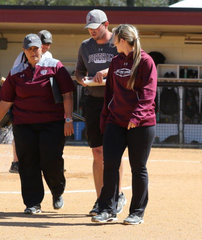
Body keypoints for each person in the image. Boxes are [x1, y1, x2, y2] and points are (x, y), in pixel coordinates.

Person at [0, 33, 75, 214]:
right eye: (29, 49)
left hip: (52, 124)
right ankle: (33, 203)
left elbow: (67, 94)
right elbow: (6, 101)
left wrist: (68, 119)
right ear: (24, 51)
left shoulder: (55, 67)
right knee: (27, 163)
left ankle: (57, 191)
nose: (33, 52)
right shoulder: (16, 72)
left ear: (42, 48)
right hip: (24, 125)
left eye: (36, 48)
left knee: (51, 160)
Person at [91, 24, 157, 224]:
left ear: (122, 40)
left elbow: (149, 93)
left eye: (115, 39)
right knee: (110, 164)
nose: (112, 42)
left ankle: (137, 212)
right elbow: (109, 93)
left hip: (141, 124)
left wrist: (136, 117)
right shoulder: (116, 61)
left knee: (138, 168)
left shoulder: (146, 61)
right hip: (116, 122)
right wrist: (105, 118)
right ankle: (107, 210)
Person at [75, 9, 126, 216]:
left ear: (106, 24)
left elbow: (128, 64)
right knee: (97, 152)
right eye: (89, 28)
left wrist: (107, 71)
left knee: (114, 151)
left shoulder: (118, 42)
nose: (92, 32)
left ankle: (117, 195)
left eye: (95, 27)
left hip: (115, 101)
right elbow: (78, 71)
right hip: (93, 101)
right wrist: (82, 80)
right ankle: (99, 200)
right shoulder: (85, 46)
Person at [9, 29, 54, 173]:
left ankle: (42, 161)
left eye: (48, 44)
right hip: (22, 98)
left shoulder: (50, 57)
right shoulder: (23, 55)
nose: (46, 46)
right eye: (44, 43)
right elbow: (14, 72)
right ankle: (16, 161)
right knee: (20, 129)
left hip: (42, 101)